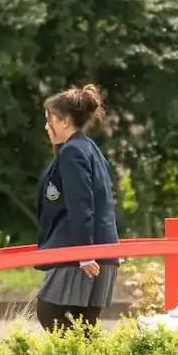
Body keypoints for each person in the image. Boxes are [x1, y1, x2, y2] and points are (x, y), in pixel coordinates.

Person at [33, 84, 120, 332]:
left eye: (49, 119)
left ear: (63, 121)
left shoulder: (73, 152)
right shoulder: (87, 148)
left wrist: (84, 252)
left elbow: (81, 204)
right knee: (82, 328)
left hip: (81, 253)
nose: (46, 126)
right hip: (99, 249)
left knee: (50, 311)